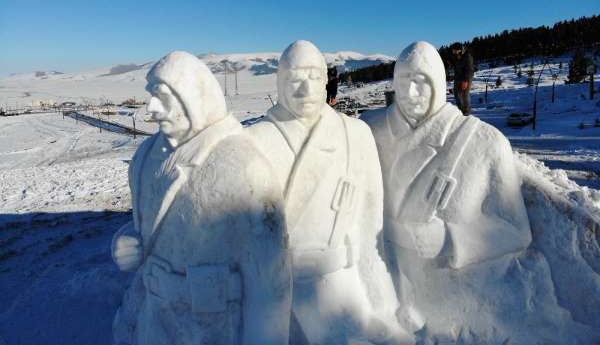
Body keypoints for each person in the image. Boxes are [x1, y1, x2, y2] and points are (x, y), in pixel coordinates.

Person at [111, 51, 291, 345]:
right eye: (151, 96)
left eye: (162, 97)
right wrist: (128, 241)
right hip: (154, 320)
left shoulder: (242, 165)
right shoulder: (144, 158)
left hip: (214, 329)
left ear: (192, 99)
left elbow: (270, 281)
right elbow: (146, 225)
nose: (150, 109)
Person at [362, 41, 532, 338]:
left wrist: (450, 240)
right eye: (404, 82)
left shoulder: (484, 142)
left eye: (422, 83)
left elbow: (517, 231)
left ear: (440, 85)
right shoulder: (368, 130)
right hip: (382, 286)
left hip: (449, 306)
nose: (412, 94)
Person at [248, 40, 412, 345]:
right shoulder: (254, 141)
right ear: (280, 83)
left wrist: (384, 306)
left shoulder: (355, 134)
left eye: (313, 76)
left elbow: (369, 232)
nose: (305, 89)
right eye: (295, 78)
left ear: (326, 80)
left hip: (342, 289)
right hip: (277, 298)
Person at [449, 43, 474, 115]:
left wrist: (465, 81)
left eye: (454, 50)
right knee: (456, 93)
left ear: (459, 50)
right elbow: (454, 64)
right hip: (458, 76)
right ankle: (460, 109)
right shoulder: (455, 56)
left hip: (466, 77)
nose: (453, 51)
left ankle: (466, 112)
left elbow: (469, 69)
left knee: (465, 94)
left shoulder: (467, 56)